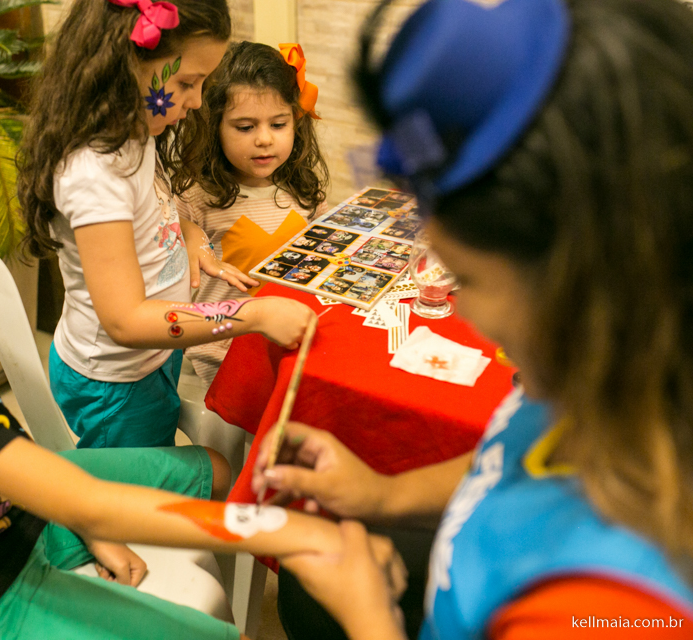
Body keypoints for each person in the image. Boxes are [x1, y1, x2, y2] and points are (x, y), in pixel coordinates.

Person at [0, 54, 383, 640]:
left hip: (6, 514)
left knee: (219, 473)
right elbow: (79, 494)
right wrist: (289, 530)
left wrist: (83, 523)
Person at [253, 0, 693, 638]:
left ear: (589, 286)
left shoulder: (604, 609)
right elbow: (513, 455)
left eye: (466, 279)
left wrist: (369, 618)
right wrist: (385, 493)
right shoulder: (602, 382)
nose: (459, 306)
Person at [18, 0, 315, 448]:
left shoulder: (135, 130)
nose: (197, 102)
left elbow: (154, 208)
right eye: (188, 83)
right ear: (128, 65)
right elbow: (126, 321)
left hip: (156, 353)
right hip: (117, 381)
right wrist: (251, 314)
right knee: (132, 503)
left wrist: (189, 232)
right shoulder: (95, 174)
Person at [171, 41, 330, 384]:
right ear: (214, 127)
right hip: (223, 355)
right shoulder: (195, 199)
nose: (264, 140)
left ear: (296, 122)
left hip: (293, 349)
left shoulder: (305, 191)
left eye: (278, 124)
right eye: (245, 127)